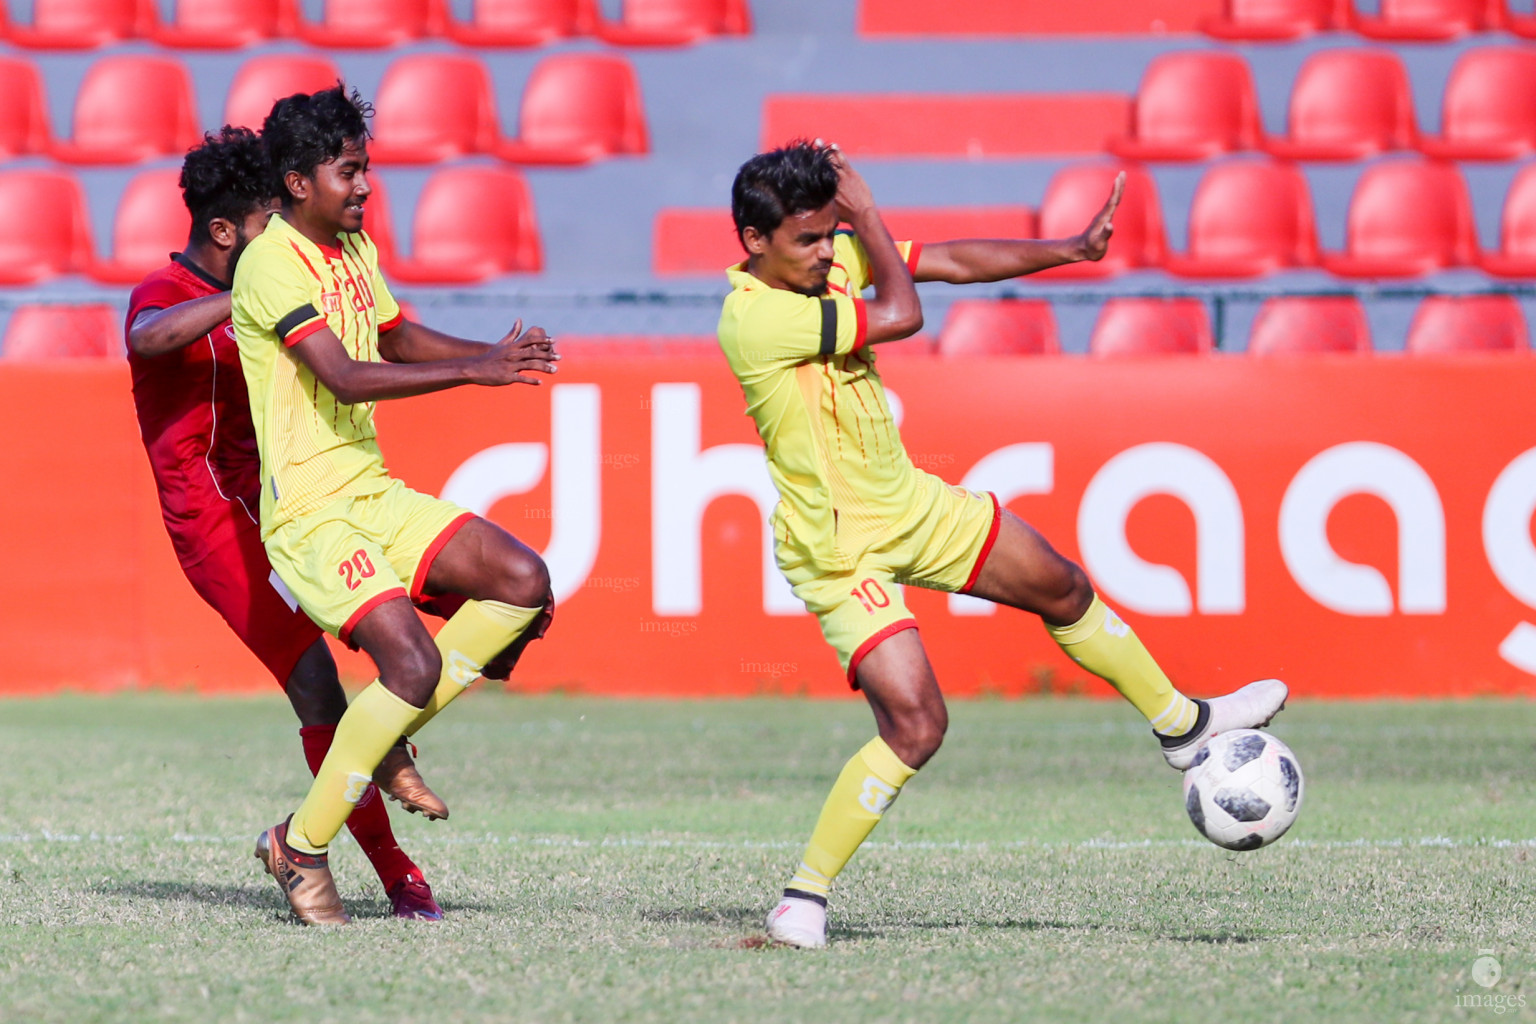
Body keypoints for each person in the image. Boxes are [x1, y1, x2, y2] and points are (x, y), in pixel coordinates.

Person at [715, 141, 1288, 949]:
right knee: (918, 725)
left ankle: (1183, 726)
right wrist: (867, 213)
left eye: (827, 234)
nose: (822, 251)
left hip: (909, 501)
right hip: (838, 549)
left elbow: (947, 261)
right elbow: (904, 314)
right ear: (755, 241)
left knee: (1063, 587)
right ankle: (801, 899)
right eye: (806, 240)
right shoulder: (756, 317)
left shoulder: (830, 260)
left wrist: (1071, 251)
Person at [231, 85, 557, 926]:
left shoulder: (352, 245)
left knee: (524, 582)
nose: (365, 186)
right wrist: (473, 373)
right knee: (409, 667)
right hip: (310, 511)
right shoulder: (269, 262)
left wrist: (490, 353)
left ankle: (380, 743)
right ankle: (299, 848)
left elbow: (395, 336)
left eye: (365, 168)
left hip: (370, 490)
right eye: (349, 172)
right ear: (300, 181)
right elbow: (341, 372)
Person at [126, 125, 448, 921]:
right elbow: (145, 338)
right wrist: (246, 295)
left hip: (282, 505)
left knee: (387, 629)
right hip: (212, 529)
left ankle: (390, 754)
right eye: (271, 227)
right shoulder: (166, 296)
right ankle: (387, 870)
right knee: (315, 685)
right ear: (227, 231)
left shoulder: (286, 286)